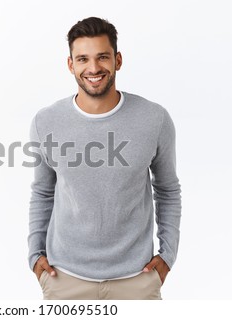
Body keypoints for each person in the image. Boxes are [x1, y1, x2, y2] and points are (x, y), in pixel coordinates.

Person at [27, 17, 182, 300]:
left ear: (118, 60)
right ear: (70, 65)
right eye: (83, 59)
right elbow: (42, 191)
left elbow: (168, 190)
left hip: (137, 279)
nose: (94, 68)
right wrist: (34, 256)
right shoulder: (46, 121)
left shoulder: (154, 119)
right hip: (64, 279)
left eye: (102, 57)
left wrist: (168, 256)